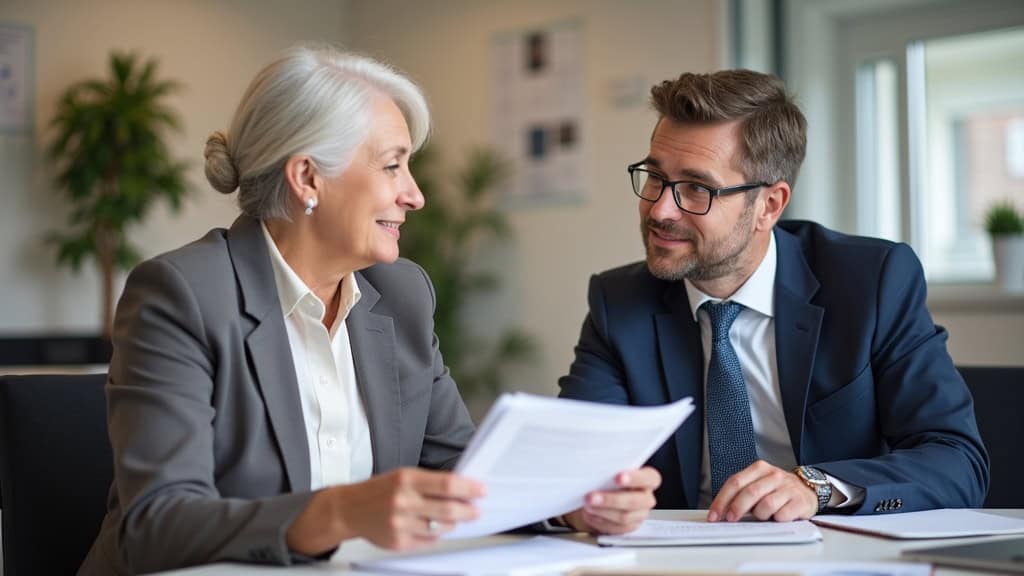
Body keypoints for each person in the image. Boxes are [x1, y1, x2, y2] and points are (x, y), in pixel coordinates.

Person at [80, 46, 660, 575]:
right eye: (392, 166)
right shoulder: (182, 294)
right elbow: (154, 527)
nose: (415, 193)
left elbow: (463, 471)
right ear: (308, 177)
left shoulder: (402, 294)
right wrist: (339, 512)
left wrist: (571, 508)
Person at [558, 69, 989, 524]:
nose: (661, 210)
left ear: (769, 205)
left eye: (696, 189)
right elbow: (567, 466)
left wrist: (817, 486)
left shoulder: (871, 283)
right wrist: (583, 508)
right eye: (655, 177)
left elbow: (956, 461)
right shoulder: (619, 302)